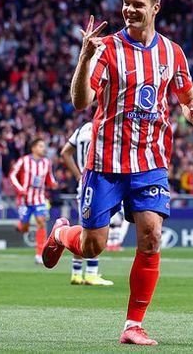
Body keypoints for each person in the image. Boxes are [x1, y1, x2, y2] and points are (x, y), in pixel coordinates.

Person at [41, 0, 193, 345]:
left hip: (150, 161)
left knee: (151, 236)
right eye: (126, 3)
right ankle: (61, 234)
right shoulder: (106, 49)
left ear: (155, 8)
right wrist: (84, 58)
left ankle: (133, 325)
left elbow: (187, 95)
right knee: (93, 246)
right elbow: (80, 102)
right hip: (106, 163)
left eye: (138, 4)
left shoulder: (172, 53)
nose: (129, 9)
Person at [60, 121, 114, 286]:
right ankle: (91, 273)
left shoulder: (81, 129)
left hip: (84, 181)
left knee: (84, 226)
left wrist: (78, 176)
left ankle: (76, 272)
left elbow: (65, 152)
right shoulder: (107, 124)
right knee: (97, 226)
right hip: (99, 180)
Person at [9, 138, 57, 265]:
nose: (44, 148)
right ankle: (21, 225)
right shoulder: (23, 161)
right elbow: (12, 175)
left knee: (41, 222)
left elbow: (49, 178)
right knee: (24, 228)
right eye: (41, 146)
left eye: (44, 146)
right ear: (33, 148)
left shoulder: (46, 163)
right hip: (24, 200)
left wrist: (53, 183)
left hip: (39, 198)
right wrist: (20, 189)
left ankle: (39, 254)